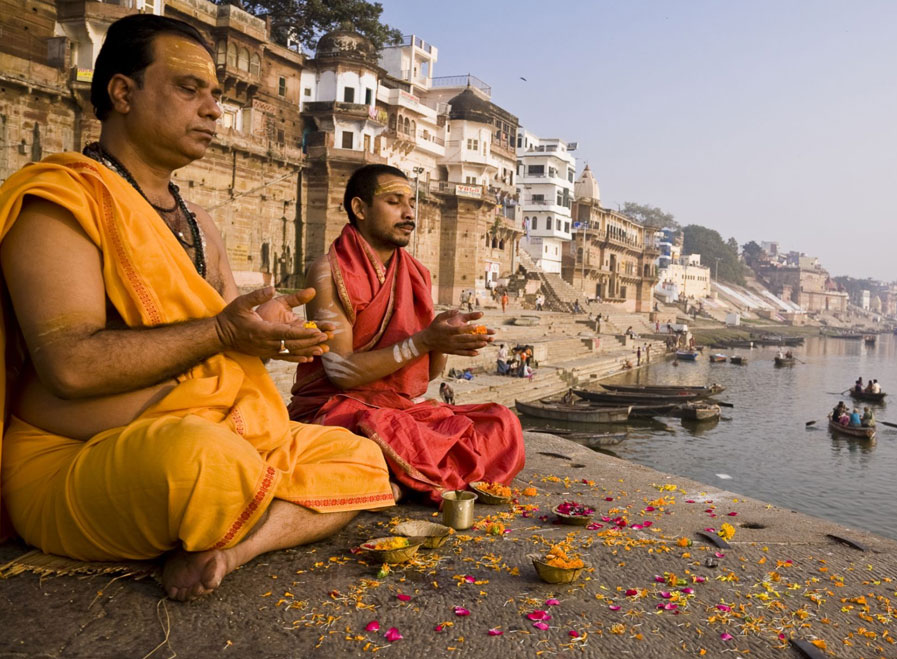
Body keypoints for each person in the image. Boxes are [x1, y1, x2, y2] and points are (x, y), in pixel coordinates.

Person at [0, 15, 397, 602]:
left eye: (215, 94)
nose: (215, 109)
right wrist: (220, 330)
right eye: (189, 89)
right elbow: (69, 365)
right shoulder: (60, 203)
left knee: (361, 455)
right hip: (79, 461)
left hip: (213, 430)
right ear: (123, 93)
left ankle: (236, 547)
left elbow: (229, 335)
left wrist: (268, 332)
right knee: (199, 462)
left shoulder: (198, 223)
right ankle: (251, 510)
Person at [288, 164, 525, 505]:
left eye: (411, 203)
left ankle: (398, 480)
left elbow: (427, 376)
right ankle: (399, 479)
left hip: (396, 410)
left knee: (500, 423)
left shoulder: (415, 274)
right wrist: (425, 340)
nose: (408, 213)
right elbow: (341, 373)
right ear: (360, 209)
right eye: (394, 201)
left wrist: (443, 337)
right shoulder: (328, 271)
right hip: (337, 409)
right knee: (386, 432)